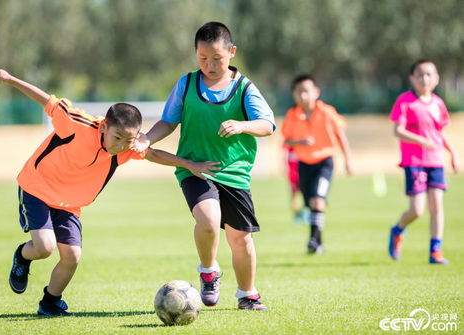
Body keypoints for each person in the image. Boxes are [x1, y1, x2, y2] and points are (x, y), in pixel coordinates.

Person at [0, 69, 218, 316]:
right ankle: (22, 257)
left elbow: (153, 154)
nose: (121, 145)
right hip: (37, 188)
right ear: (104, 126)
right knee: (45, 247)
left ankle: (50, 302)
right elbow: (46, 99)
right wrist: (12, 80)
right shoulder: (76, 123)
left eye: (128, 139)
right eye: (117, 137)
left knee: (72, 256)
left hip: (69, 203)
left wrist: (190, 165)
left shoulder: (127, 147)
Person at [140, 22, 275, 310]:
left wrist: (242, 125)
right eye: (203, 58)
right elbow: (168, 121)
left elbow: (267, 125)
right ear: (195, 54)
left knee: (241, 239)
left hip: (235, 172)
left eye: (217, 58)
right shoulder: (186, 84)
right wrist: (146, 138)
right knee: (209, 220)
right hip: (195, 168)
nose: (210, 65)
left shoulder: (244, 88)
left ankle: (248, 295)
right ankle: (208, 271)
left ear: (232, 52)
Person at [388, 60, 460, 265]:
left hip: (436, 161)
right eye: (420, 74)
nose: (424, 78)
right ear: (411, 78)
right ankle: (397, 230)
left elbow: (440, 133)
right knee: (417, 210)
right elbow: (397, 130)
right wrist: (421, 140)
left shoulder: (438, 103)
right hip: (414, 162)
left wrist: (453, 153)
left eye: (429, 74)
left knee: (437, 205)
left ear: (436, 79)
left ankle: (435, 251)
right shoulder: (405, 101)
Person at [281, 74, 352, 254]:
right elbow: (287, 140)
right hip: (304, 164)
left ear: (316, 92)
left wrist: (348, 160)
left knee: (318, 200)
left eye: (306, 91)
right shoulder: (292, 115)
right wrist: (299, 142)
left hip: (325, 162)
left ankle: (312, 240)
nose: (303, 96)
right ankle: (318, 243)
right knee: (311, 204)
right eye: (298, 92)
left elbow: (340, 135)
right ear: (293, 95)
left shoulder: (327, 112)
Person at [282, 143, 308, 224]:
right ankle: (298, 215)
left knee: (300, 195)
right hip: (294, 174)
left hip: (301, 173)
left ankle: (302, 214)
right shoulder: (290, 144)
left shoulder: (300, 144)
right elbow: (285, 157)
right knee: (295, 195)